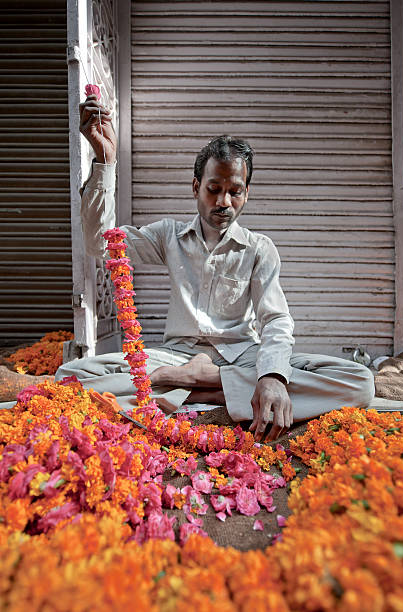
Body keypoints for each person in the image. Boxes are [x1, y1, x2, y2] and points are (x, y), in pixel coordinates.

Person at [55, 94, 375, 441]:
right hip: (174, 356)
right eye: (214, 189)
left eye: (235, 191)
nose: (224, 202)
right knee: (72, 375)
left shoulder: (259, 248)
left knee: (360, 381)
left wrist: (271, 377)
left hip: (243, 358)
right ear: (196, 188)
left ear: (246, 193)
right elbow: (101, 244)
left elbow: (276, 320)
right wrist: (105, 161)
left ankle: (196, 386)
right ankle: (215, 389)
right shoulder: (169, 235)